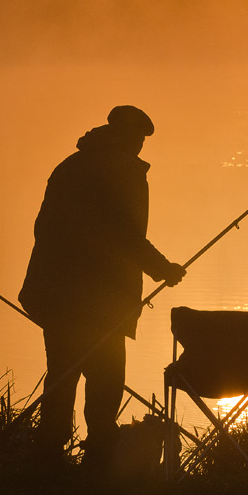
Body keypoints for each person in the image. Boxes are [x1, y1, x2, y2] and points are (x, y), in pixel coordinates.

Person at [19, 105, 186, 471]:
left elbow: (43, 228)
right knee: (106, 382)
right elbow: (124, 236)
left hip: (56, 295)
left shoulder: (70, 166)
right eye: (140, 139)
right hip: (102, 301)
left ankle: (46, 461)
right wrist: (163, 269)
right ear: (129, 138)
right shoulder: (121, 170)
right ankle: (97, 466)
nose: (141, 146)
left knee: (62, 375)